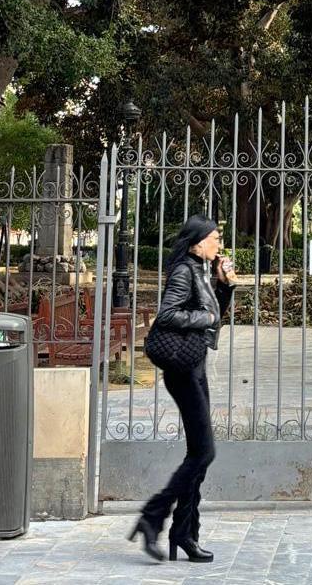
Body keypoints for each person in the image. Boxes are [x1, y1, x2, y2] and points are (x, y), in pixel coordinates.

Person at [129, 214, 236, 563]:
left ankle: (185, 533)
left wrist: (225, 286)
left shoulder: (201, 269)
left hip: (195, 366)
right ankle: (153, 516)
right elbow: (167, 314)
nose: (219, 243)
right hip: (182, 369)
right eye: (215, 238)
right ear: (198, 241)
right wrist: (206, 318)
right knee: (204, 453)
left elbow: (212, 314)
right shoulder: (183, 270)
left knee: (198, 454)